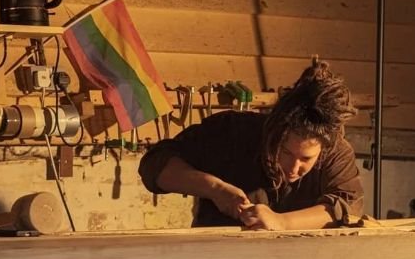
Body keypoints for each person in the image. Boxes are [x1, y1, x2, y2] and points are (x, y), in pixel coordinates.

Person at [139, 59, 364, 230]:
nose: (294, 168)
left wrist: (282, 222)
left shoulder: (335, 150)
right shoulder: (232, 131)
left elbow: (347, 206)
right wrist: (215, 189)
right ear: (274, 131)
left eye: (306, 159)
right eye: (285, 152)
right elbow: (154, 165)